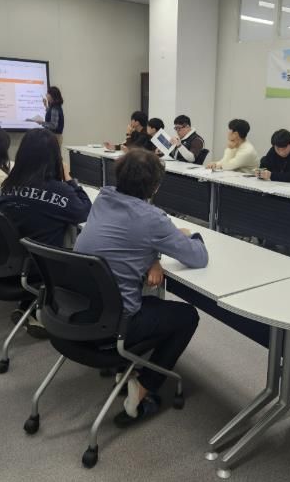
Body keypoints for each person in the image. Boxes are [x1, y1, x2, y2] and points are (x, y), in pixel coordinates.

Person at [74, 149, 208, 426]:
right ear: (155, 187)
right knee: (187, 316)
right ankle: (144, 387)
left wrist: (152, 257)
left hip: (78, 311)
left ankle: (128, 364)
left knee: (153, 302)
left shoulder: (103, 198)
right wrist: (192, 235)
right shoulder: (152, 219)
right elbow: (198, 257)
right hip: (116, 323)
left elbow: (121, 239)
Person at [0, 128, 92, 247]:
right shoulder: (60, 190)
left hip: (11, 255)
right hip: (44, 257)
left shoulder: (7, 186)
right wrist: (69, 179)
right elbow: (85, 213)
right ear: (55, 157)